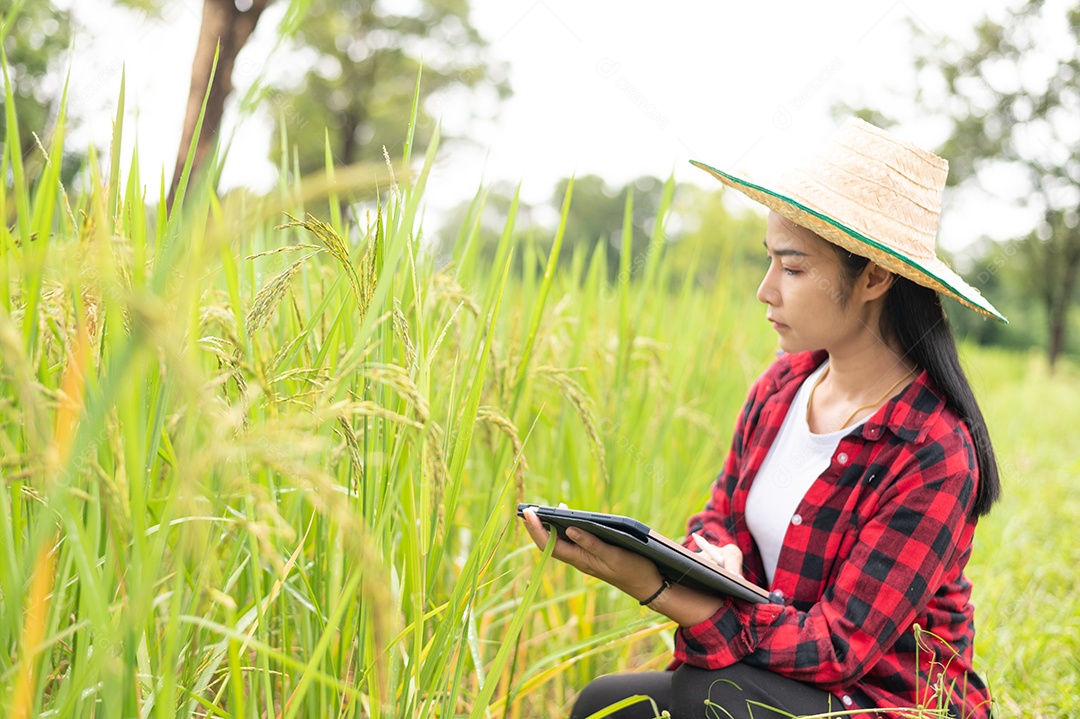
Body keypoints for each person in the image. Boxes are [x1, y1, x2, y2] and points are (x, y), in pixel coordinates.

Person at [522, 118, 1004, 719]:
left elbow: (837, 646)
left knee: (709, 696)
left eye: (793, 268)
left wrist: (661, 588)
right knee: (606, 705)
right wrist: (715, 557)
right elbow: (722, 514)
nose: (766, 290)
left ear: (875, 276)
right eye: (769, 261)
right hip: (773, 675)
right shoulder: (781, 388)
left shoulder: (932, 450)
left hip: (889, 701)